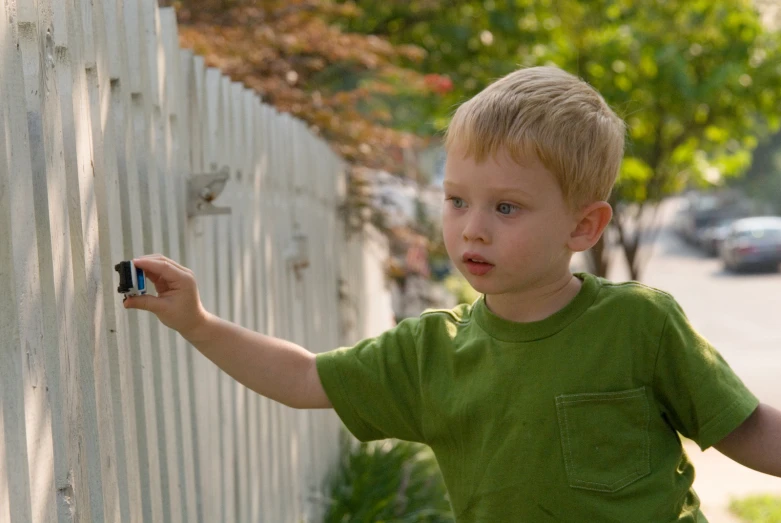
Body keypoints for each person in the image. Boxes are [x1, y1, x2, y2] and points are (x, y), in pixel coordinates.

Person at [125, 66, 781, 522]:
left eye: (505, 207)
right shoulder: (430, 351)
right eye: (456, 200)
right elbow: (303, 377)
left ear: (582, 225)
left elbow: (744, 427)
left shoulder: (639, 324)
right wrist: (199, 323)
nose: (472, 227)